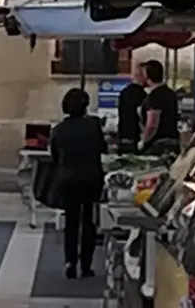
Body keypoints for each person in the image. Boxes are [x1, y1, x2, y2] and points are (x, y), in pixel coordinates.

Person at [49, 87, 106, 279]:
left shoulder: (59, 130)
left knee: (71, 222)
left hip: (68, 179)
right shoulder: (93, 126)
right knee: (89, 221)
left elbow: (55, 156)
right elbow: (102, 148)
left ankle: (70, 263)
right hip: (91, 178)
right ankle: (87, 265)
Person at [138, 61, 179, 152]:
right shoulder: (170, 93)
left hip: (159, 144)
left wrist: (144, 140)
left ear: (147, 75)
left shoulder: (155, 96)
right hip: (173, 140)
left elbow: (152, 123)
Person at [115, 75, 147, 152]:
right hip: (137, 135)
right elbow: (142, 116)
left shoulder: (124, 92)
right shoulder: (142, 94)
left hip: (123, 134)